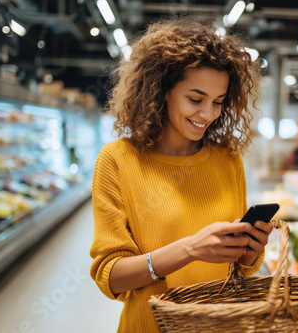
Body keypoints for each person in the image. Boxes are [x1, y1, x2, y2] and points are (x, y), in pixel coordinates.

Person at [90, 17, 275, 333]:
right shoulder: (118, 160)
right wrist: (189, 249)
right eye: (195, 98)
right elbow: (112, 277)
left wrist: (250, 251)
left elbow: (242, 269)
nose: (208, 114)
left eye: (218, 102)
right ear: (162, 90)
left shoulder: (227, 160)